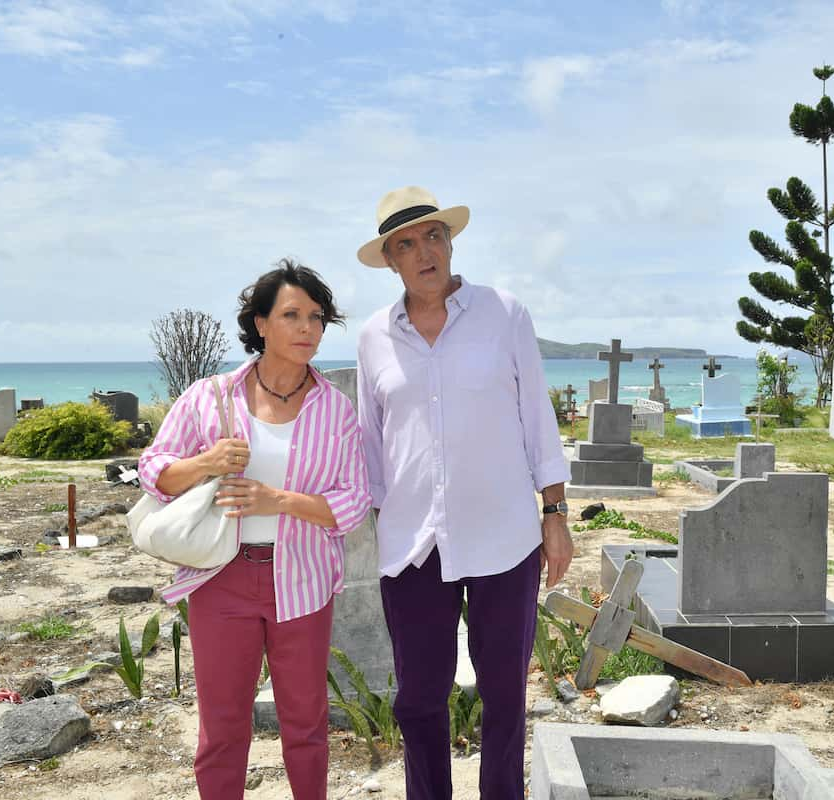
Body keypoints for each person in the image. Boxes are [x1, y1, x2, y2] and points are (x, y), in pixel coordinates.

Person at [355, 186, 573, 800]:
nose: (424, 251)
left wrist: (554, 514)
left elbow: (538, 418)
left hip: (504, 536)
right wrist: (375, 524)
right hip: (413, 545)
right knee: (418, 698)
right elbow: (372, 444)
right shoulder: (374, 337)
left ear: (450, 243)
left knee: (505, 692)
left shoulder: (505, 314)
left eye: (434, 236)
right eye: (407, 243)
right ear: (391, 260)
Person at [138, 259, 372, 799]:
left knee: (307, 724)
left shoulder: (335, 409)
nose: (307, 328)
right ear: (260, 323)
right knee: (222, 726)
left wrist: (277, 500)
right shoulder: (209, 396)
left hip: (305, 580)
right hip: (220, 579)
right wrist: (206, 463)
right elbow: (155, 473)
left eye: (316, 317)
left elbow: (354, 503)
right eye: (291, 315)